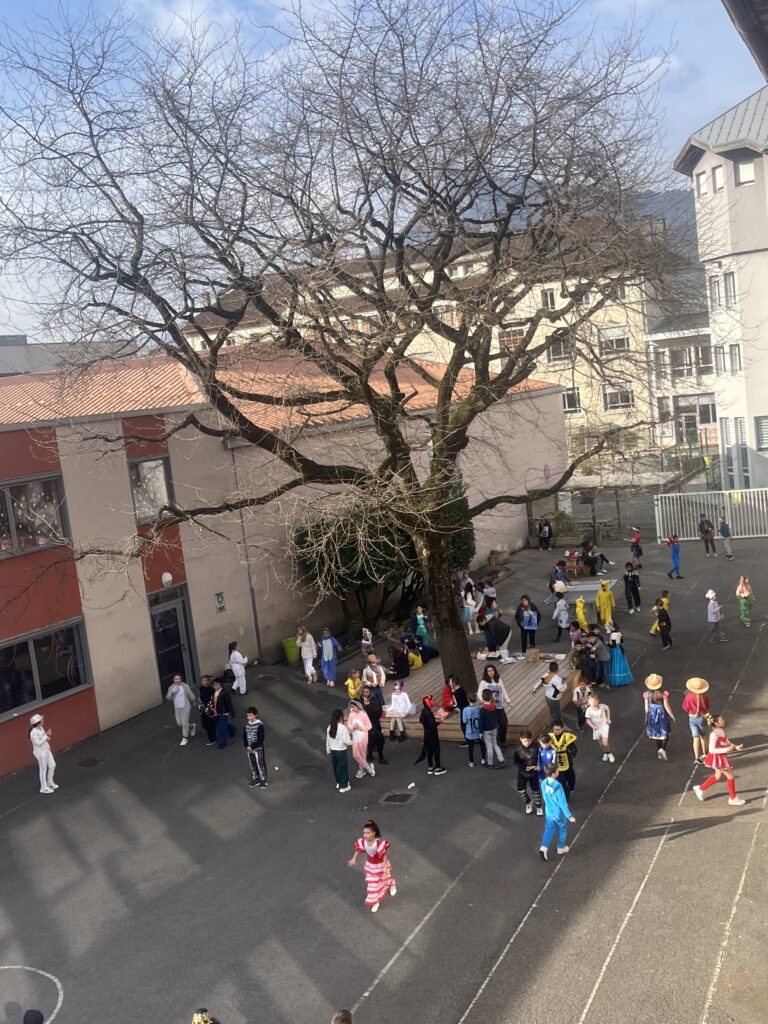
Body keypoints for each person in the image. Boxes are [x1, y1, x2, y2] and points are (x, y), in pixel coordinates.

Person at [692, 714, 745, 807]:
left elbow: (726, 741)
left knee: (717, 776)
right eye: (721, 720)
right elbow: (711, 750)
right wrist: (726, 749)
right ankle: (733, 798)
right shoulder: (713, 735)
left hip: (720, 757)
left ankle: (700, 789)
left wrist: (736, 747)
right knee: (730, 775)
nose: (723, 720)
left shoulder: (721, 731)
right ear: (716, 723)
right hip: (718, 758)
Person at [348, 819, 397, 913]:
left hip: (381, 866)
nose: (365, 835)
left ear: (374, 833)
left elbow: (384, 857)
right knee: (372, 886)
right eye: (364, 833)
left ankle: (392, 884)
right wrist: (353, 858)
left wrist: (385, 869)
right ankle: (375, 902)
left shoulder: (378, 844)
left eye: (368, 833)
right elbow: (358, 850)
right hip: (370, 867)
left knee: (385, 879)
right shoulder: (363, 842)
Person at [538, 763, 575, 861]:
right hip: (559, 813)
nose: (558, 771)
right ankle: (561, 848)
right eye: (557, 770)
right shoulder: (558, 785)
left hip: (549, 812)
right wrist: (569, 816)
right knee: (562, 829)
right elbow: (562, 803)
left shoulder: (543, 783)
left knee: (548, 830)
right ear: (553, 774)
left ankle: (543, 847)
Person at [643, 674, 674, 761]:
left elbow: (646, 708)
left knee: (656, 733)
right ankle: (662, 749)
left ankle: (659, 749)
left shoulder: (646, 695)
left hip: (652, 715)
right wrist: (672, 715)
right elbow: (667, 706)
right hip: (662, 714)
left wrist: (646, 717)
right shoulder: (663, 694)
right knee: (665, 731)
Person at [480, 663, 512, 744]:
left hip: (499, 706)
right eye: (488, 671)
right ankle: (494, 741)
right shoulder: (484, 682)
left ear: (494, 671)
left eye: (492, 670)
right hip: (490, 707)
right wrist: (484, 701)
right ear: (486, 672)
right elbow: (479, 693)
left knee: (504, 723)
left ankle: (502, 741)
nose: (490, 672)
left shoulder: (499, 680)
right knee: (493, 725)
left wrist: (508, 701)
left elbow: (503, 690)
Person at [681, 677, 710, 765]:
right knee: (703, 736)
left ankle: (697, 758)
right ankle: (705, 754)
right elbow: (707, 707)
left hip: (692, 718)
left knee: (695, 738)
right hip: (701, 718)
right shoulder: (704, 697)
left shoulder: (688, 697)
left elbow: (685, 707)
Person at [414, 696, 446, 774]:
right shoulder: (429, 713)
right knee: (436, 750)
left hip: (426, 734)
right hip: (432, 734)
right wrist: (440, 721)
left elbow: (421, 720)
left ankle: (430, 767)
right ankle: (438, 768)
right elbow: (432, 724)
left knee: (429, 750)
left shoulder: (423, 711)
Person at [514, 730, 542, 814]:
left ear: (532, 739)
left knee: (535, 790)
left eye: (529, 741)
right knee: (520, 790)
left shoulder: (536, 747)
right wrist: (523, 768)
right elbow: (515, 761)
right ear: (521, 739)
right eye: (525, 741)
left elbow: (541, 758)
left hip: (534, 772)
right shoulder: (518, 749)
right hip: (523, 772)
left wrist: (539, 766)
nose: (527, 743)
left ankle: (539, 806)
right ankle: (528, 802)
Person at [28, 713, 57, 794]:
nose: (43, 721)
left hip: (46, 749)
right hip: (40, 753)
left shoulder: (41, 728)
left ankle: (50, 782)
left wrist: (48, 737)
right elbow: (38, 743)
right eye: (42, 720)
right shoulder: (33, 733)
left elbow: (45, 738)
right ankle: (43, 787)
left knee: (52, 765)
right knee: (43, 769)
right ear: (38, 723)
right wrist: (46, 735)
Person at [166, 673, 197, 746]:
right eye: (175, 679)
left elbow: (190, 693)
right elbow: (168, 697)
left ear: (181, 679)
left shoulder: (184, 686)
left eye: (179, 679)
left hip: (185, 706)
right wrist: (173, 693)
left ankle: (185, 738)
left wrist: (193, 700)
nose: (177, 680)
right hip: (177, 708)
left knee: (184, 723)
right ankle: (192, 726)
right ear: (173, 680)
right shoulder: (171, 687)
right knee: (179, 723)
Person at [326, 708, 352, 793]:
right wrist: (354, 742)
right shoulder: (343, 728)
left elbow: (328, 740)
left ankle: (338, 782)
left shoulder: (330, 727)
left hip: (333, 750)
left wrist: (328, 750)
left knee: (336, 767)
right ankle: (343, 786)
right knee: (343, 768)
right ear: (341, 717)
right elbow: (346, 741)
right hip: (341, 751)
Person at [347, 700, 374, 779]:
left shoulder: (364, 715)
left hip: (363, 738)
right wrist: (353, 727)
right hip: (355, 737)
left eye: (354, 707)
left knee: (362, 754)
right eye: (351, 707)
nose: (352, 709)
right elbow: (348, 724)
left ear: (358, 707)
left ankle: (362, 770)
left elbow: (369, 726)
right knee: (355, 755)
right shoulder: (351, 714)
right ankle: (368, 768)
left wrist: (360, 728)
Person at [479, 688, 505, 768]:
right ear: (491, 697)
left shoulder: (482, 710)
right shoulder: (494, 707)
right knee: (495, 744)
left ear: (483, 698)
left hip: (486, 731)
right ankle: (501, 758)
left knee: (489, 747)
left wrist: (480, 732)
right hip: (494, 728)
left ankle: (490, 763)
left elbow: (481, 722)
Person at [362, 686, 389, 766]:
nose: (366, 694)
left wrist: (369, 705)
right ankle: (369, 755)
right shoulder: (360, 701)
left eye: (367, 692)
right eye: (364, 692)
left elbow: (378, 712)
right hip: (365, 724)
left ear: (370, 692)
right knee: (368, 740)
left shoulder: (375, 701)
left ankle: (381, 757)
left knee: (379, 740)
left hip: (374, 723)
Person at [549, 721, 578, 794]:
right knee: (560, 777)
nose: (556, 731)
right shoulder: (550, 737)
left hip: (566, 757)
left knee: (570, 774)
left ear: (562, 729)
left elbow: (573, 747)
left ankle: (571, 786)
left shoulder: (567, 736)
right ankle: (564, 790)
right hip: (556, 758)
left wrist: (573, 753)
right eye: (554, 729)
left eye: (558, 729)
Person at [584, 693, 614, 762]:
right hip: (596, 729)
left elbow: (607, 709)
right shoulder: (588, 710)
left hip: (604, 726)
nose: (593, 703)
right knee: (601, 744)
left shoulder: (602, 706)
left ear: (598, 701)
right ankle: (605, 753)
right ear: (589, 701)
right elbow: (588, 720)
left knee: (605, 743)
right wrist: (592, 726)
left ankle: (609, 753)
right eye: (591, 701)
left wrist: (608, 718)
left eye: (594, 701)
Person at [243, 706, 268, 788]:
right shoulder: (246, 725)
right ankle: (256, 779)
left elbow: (261, 738)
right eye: (247, 715)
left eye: (250, 715)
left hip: (258, 748)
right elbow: (244, 737)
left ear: (255, 715)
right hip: (249, 749)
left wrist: (252, 746)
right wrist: (246, 746)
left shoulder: (259, 725)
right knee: (252, 764)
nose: (248, 717)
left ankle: (263, 780)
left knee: (260, 763)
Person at [461, 698, 485, 767]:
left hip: (470, 731)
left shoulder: (465, 709)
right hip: (479, 730)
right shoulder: (479, 708)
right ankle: (483, 759)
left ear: (468, 700)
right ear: (476, 700)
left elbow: (464, 721)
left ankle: (471, 762)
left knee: (471, 747)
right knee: (482, 744)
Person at [212, 677, 235, 748]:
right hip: (217, 712)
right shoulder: (214, 692)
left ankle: (222, 743)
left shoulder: (224, 693)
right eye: (214, 685)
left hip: (223, 712)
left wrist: (231, 712)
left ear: (221, 685)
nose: (215, 686)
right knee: (223, 725)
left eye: (217, 685)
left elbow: (229, 704)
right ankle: (232, 730)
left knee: (221, 728)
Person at [198, 674, 217, 746]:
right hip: (203, 709)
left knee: (210, 725)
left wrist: (209, 708)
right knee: (204, 724)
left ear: (208, 681)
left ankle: (212, 739)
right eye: (203, 681)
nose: (204, 682)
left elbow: (213, 700)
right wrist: (201, 707)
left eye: (205, 681)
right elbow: (200, 697)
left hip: (210, 710)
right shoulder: (201, 688)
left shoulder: (211, 689)